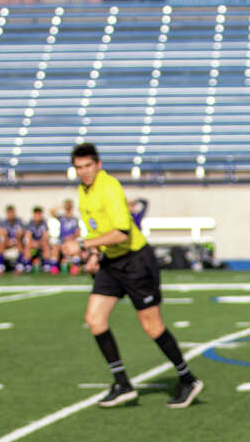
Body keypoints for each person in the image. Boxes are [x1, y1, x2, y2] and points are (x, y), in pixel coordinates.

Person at [72, 142, 203, 409]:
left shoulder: (110, 188)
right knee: (95, 320)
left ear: (98, 164)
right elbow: (99, 231)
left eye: (87, 166)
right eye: (78, 167)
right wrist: (95, 255)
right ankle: (122, 383)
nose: (84, 172)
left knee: (151, 326)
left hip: (135, 262)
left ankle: (187, 379)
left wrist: (84, 244)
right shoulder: (83, 191)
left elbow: (122, 232)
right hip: (111, 261)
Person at [22, 205, 53, 273]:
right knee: (28, 244)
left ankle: (46, 265)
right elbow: (28, 236)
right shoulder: (30, 223)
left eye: (39, 214)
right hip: (32, 243)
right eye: (36, 214)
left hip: (41, 243)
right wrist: (33, 243)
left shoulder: (44, 223)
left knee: (46, 244)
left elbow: (45, 236)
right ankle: (27, 265)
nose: (38, 216)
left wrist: (39, 243)